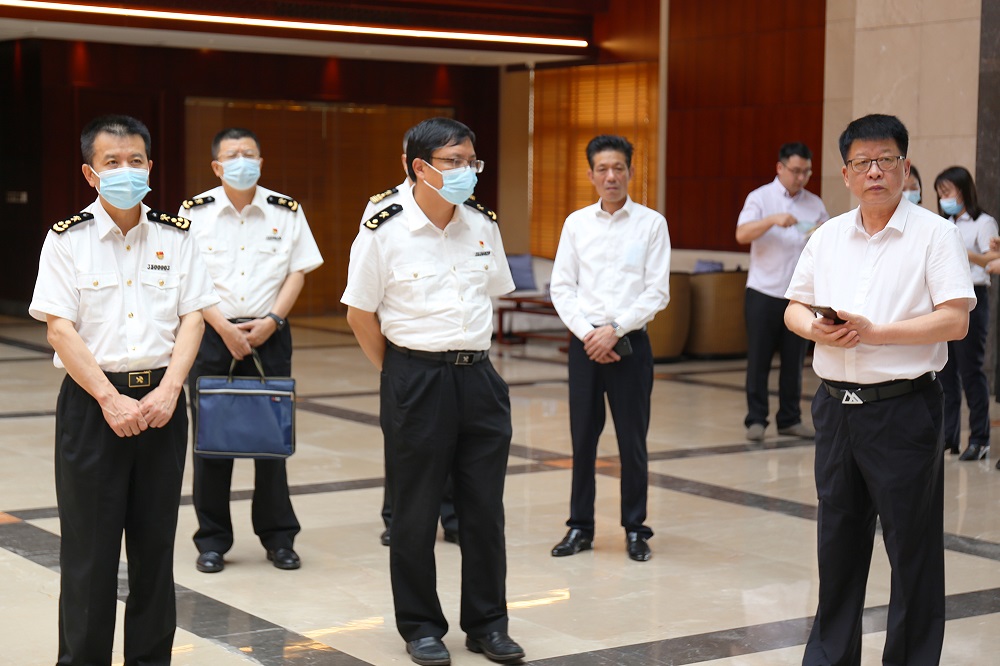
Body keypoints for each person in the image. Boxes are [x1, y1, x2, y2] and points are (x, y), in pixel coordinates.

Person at [784, 114, 974, 666]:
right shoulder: (827, 236)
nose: (875, 172)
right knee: (837, 546)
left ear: (905, 167)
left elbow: (956, 320)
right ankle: (829, 657)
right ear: (845, 173)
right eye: (862, 162)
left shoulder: (934, 234)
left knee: (912, 551)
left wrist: (876, 333)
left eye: (886, 160)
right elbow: (794, 306)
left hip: (903, 409)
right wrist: (814, 328)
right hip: (835, 409)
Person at [28, 114, 218, 665]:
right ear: (90, 173)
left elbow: (193, 318)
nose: (125, 170)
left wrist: (171, 390)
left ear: (150, 167)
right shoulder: (67, 240)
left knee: (155, 550)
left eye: (135, 160)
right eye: (111, 162)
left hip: (162, 403)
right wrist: (109, 399)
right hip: (93, 405)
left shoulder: (178, 236)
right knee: (89, 553)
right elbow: (59, 329)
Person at [342, 117, 524, 666]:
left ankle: (488, 624)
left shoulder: (482, 224)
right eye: (455, 162)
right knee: (415, 513)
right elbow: (359, 314)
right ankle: (421, 626)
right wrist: (400, 374)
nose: (468, 171)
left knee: (484, 512)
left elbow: (494, 292)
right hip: (416, 377)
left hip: (479, 378)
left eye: (472, 161)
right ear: (420, 168)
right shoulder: (384, 228)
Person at [181, 127, 323, 574]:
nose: (242, 161)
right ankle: (212, 540)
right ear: (216, 166)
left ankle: (279, 538)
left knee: (271, 440)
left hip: (270, 333)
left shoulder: (286, 210)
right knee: (210, 442)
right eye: (232, 155)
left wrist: (273, 320)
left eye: (249, 154)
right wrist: (223, 327)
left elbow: (298, 271)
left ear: (261, 162)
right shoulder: (193, 213)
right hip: (211, 334)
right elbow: (187, 279)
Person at [548, 135, 671, 563]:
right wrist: (591, 334)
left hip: (631, 344)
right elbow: (561, 287)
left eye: (618, 168)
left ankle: (636, 529)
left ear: (631, 172)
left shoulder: (651, 224)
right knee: (582, 439)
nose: (611, 176)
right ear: (591, 174)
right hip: (585, 345)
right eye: (602, 169)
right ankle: (580, 527)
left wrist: (615, 330)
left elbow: (657, 292)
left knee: (631, 441)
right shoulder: (576, 224)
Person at [362, 130, 459, 548]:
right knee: (403, 445)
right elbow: (367, 294)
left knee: (455, 441)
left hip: (451, 346)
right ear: (412, 162)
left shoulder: (460, 207)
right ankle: (396, 516)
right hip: (407, 350)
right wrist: (392, 364)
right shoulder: (383, 209)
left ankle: (452, 515)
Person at [736, 142, 829, 442]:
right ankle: (756, 419)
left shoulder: (814, 204)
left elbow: (828, 244)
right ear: (780, 167)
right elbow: (741, 233)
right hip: (763, 291)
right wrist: (771, 220)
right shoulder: (760, 198)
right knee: (759, 360)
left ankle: (790, 418)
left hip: (799, 297)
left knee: (794, 362)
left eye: (806, 172)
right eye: (796, 171)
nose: (801, 178)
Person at [934, 166, 997, 460]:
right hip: (946, 299)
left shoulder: (984, 222)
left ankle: (980, 439)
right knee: (946, 372)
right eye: (940, 193)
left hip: (974, 296)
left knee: (971, 372)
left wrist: (963, 251)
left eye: (947, 191)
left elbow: (992, 259)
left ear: (963, 190)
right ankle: (949, 437)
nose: (944, 198)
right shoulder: (943, 223)